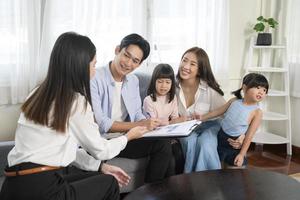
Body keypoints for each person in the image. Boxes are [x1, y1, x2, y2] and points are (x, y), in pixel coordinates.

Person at [0, 32, 148, 200]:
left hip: (13, 187)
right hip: (42, 189)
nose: (94, 72)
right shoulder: (75, 101)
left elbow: (60, 148)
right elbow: (101, 150)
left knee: (102, 178)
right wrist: (128, 137)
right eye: (93, 65)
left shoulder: (37, 93)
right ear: (79, 66)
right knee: (109, 184)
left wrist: (100, 167)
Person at [90, 33, 173, 183]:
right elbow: (101, 123)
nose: (128, 63)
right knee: (167, 155)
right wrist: (139, 125)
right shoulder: (95, 77)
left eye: (135, 61)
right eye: (126, 55)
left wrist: (150, 123)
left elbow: (136, 114)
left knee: (165, 145)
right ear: (117, 50)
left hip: (126, 137)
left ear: (139, 64)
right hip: (103, 141)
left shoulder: (133, 81)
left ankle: (150, 194)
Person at [176, 47, 244, 172]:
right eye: (184, 61)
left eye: (192, 64)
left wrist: (242, 135)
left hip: (210, 125)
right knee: (188, 142)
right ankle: (191, 182)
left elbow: (230, 114)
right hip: (185, 127)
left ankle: (209, 184)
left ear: (200, 70)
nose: (186, 66)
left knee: (206, 143)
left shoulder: (209, 90)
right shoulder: (172, 87)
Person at [198, 73, 269, 167]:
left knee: (235, 166)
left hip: (234, 144)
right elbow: (219, 111)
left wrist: (242, 154)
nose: (261, 92)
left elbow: (249, 135)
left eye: (264, 90)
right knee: (216, 163)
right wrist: (202, 117)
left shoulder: (257, 112)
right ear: (244, 87)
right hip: (221, 137)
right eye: (258, 88)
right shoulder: (234, 101)